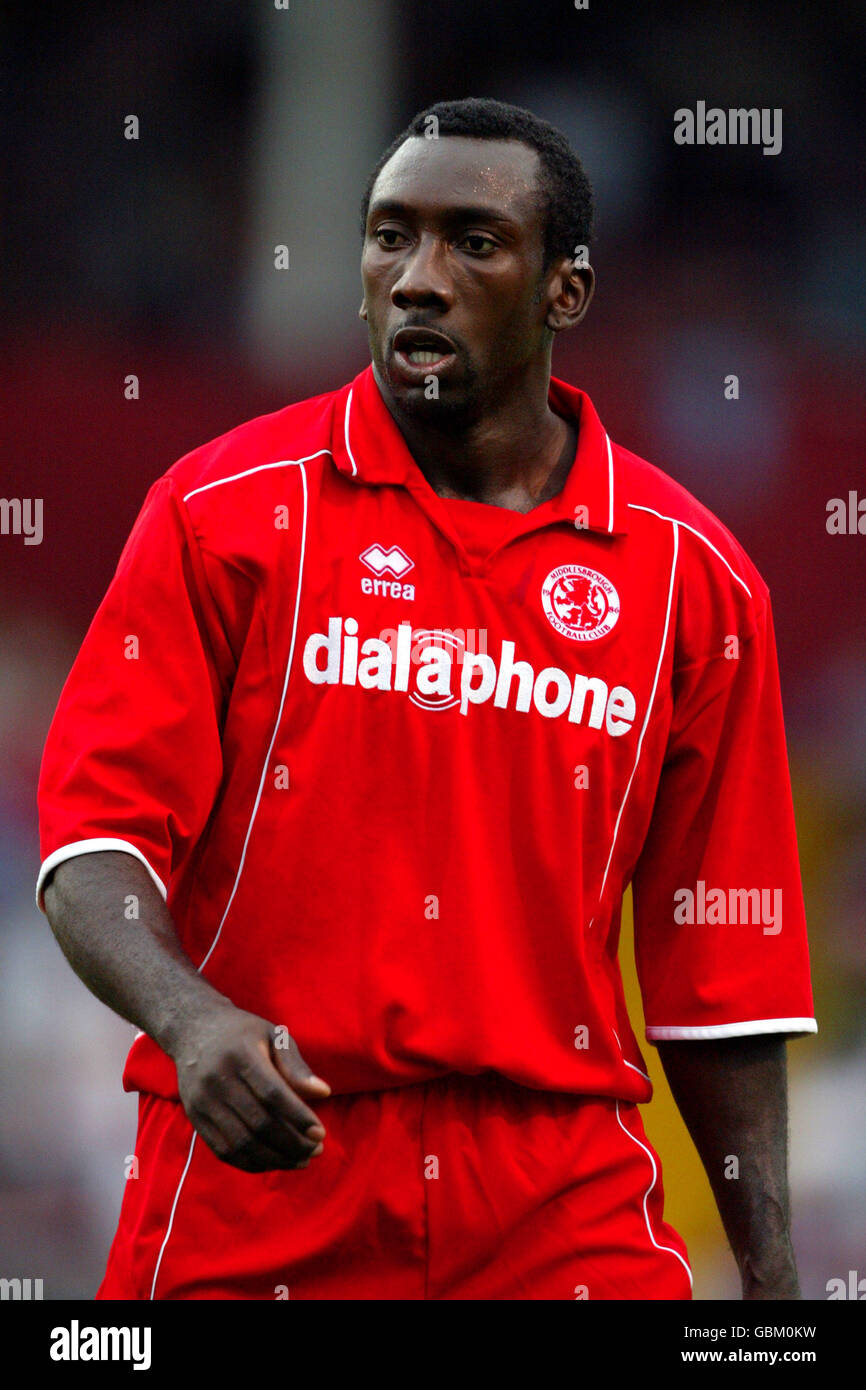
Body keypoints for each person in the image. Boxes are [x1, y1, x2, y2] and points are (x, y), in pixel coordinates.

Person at [37, 97, 816, 1301]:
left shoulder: (691, 579)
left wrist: (772, 1289)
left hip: (557, 1202)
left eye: (472, 241)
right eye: (388, 235)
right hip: (265, 1167)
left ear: (566, 290)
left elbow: (724, 978)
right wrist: (189, 1022)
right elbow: (93, 845)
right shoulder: (222, 513)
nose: (415, 277)